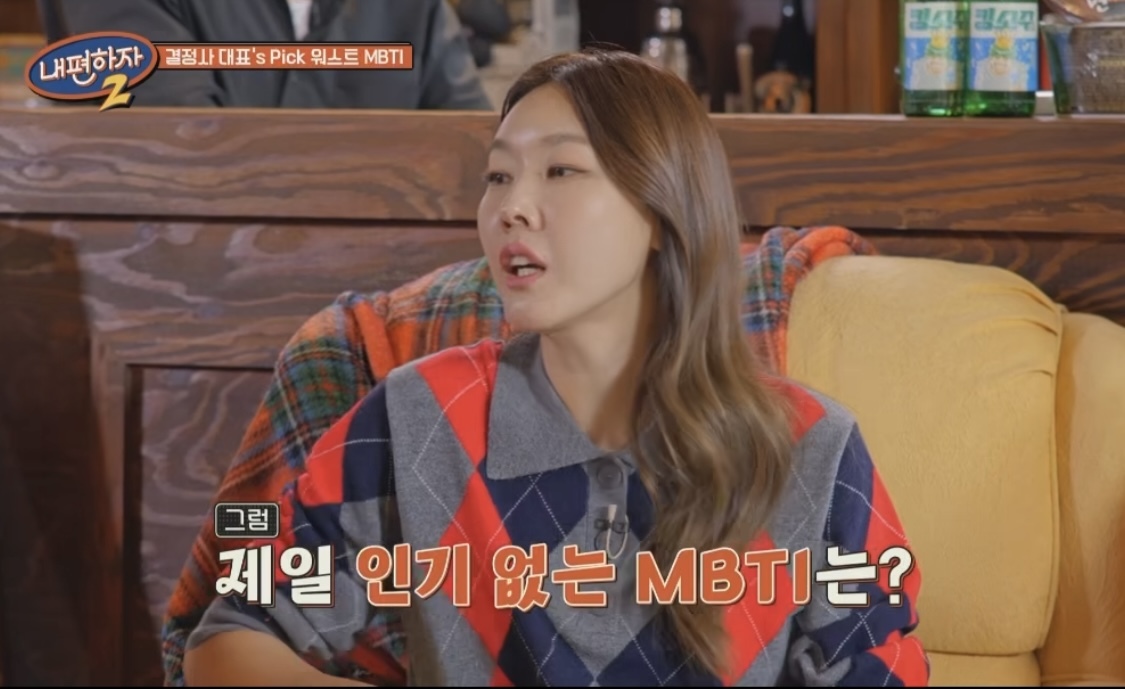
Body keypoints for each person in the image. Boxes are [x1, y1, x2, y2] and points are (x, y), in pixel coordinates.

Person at [179, 49, 928, 686]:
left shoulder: (812, 447)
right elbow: (227, 640)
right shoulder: (418, 416)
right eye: (498, 176)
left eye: (561, 170)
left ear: (661, 210)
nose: (513, 207)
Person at [50, 0, 493, 109]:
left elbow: (474, 156)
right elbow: (181, 154)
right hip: (180, 286)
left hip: (385, 288)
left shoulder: (414, 8)